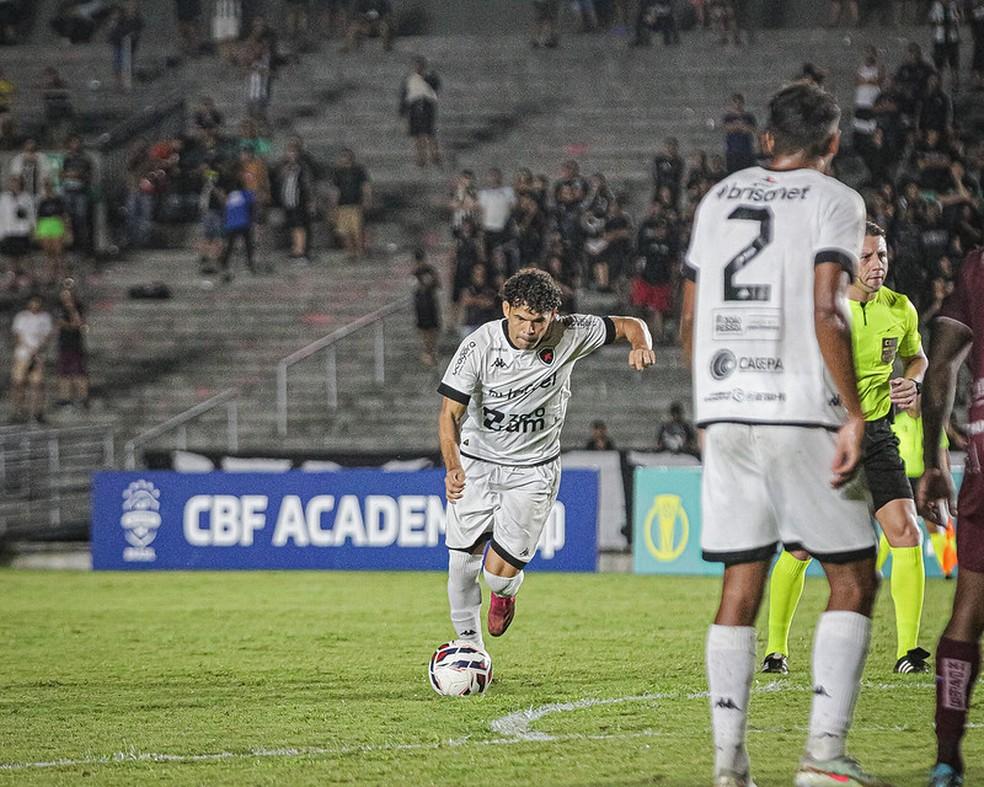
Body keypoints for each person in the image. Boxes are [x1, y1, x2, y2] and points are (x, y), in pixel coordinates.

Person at [679, 81, 884, 787]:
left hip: (727, 406)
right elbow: (828, 307)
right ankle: (823, 758)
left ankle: (728, 764)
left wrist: (710, 405)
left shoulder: (717, 198)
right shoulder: (837, 201)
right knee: (854, 576)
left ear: (767, 138)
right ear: (832, 142)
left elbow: (689, 317)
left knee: (741, 581)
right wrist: (854, 411)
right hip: (799, 406)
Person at [438, 268, 654, 648]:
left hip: (533, 471)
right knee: (460, 565)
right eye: (521, 318)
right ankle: (469, 650)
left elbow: (630, 324)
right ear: (506, 310)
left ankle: (506, 592)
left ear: (553, 315)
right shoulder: (479, 345)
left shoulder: (571, 332)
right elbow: (449, 414)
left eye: (538, 321)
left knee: (497, 577)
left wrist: (641, 343)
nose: (529, 330)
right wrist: (454, 466)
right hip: (477, 464)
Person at [762, 222, 931, 679]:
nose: (878, 266)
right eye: (869, 257)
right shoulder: (820, 311)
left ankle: (909, 650)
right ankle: (776, 649)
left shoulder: (900, 308)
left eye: (883, 256)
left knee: (905, 531)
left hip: (875, 433)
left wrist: (912, 380)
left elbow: (917, 356)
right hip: (824, 437)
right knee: (800, 549)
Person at [917, 248, 984, 787]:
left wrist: (934, 460)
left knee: (968, 608)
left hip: (983, 441)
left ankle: (946, 758)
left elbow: (941, 365)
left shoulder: (975, 265)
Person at [11, 295, 54, 424]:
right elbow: (18, 336)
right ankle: (18, 411)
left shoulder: (45, 318)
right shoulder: (21, 317)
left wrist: (38, 349)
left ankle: (37, 413)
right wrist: (29, 349)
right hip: (23, 354)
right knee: (18, 382)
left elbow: (47, 336)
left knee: (37, 384)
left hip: (38, 355)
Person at [399, 56, 441, 168]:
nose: (418, 68)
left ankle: (435, 155)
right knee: (417, 135)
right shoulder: (409, 79)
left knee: (429, 133)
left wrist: (424, 78)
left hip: (427, 106)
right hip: (414, 106)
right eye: (416, 65)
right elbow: (404, 96)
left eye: (420, 65)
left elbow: (435, 86)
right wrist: (402, 112)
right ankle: (420, 158)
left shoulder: (430, 76)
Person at [330, 148, 371, 259]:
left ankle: (360, 251)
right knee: (345, 230)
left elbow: (365, 186)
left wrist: (367, 199)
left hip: (355, 204)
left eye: (346, 156)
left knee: (357, 229)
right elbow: (335, 190)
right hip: (342, 204)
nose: (344, 159)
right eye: (342, 156)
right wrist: (333, 205)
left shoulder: (358, 170)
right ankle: (350, 252)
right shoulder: (338, 172)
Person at [217, 172, 256, 282]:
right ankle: (249, 264)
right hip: (244, 223)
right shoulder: (246, 194)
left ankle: (225, 264)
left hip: (231, 224)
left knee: (229, 246)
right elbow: (252, 207)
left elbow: (225, 209)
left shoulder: (230, 196)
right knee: (248, 244)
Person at [55, 286, 88, 410]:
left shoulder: (78, 308)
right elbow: (60, 325)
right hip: (63, 344)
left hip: (76, 345)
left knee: (79, 372)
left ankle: (83, 398)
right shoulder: (59, 310)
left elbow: (79, 324)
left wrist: (72, 309)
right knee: (64, 373)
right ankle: (64, 398)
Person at [35, 179, 70, 284]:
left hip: (56, 223)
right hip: (45, 225)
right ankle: (51, 275)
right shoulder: (41, 201)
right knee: (48, 253)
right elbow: (38, 216)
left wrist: (67, 229)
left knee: (59, 252)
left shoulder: (58, 200)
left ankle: (64, 275)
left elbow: (64, 215)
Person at [413, 248, 440, 366]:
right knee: (424, 329)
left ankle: (431, 350)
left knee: (431, 329)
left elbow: (437, 284)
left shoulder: (429, 271)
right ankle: (428, 351)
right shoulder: (416, 272)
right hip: (421, 304)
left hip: (429, 302)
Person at [929, 0, 962, 90]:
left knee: (954, 62)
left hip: (952, 38)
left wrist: (954, 21)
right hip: (940, 38)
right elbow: (932, 19)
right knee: (939, 63)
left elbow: (959, 18)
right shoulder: (936, 5)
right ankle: (939, 84)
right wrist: (938, 22)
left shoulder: (953, 5)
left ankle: (955, 83)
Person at [722, 93, 757, 174]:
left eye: (739, 102)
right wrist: (740, 126)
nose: (737, 105)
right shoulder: (728, 117)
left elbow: (752, 129)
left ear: (743, 103)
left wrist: (739, 126)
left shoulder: (749, 116)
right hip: (732, 151)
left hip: (746, 151)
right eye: (735, 103)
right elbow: (727, 128)